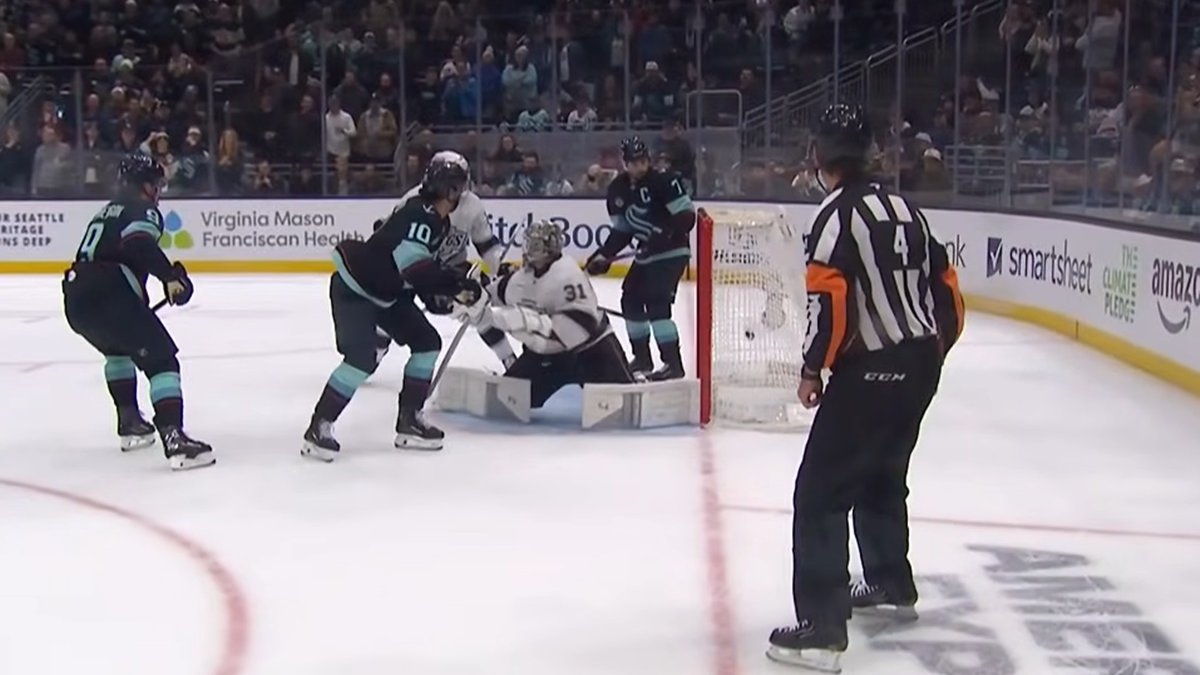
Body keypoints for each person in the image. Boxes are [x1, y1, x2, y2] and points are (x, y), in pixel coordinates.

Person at [765, 104, 965, 672]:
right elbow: (949, 294)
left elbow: (829, 306)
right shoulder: (906, 209)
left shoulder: (834, 217)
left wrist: (813, 369)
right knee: (881, 474)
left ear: (819, 155)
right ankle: (890, 583)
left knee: (821, 493)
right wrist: (929, 354)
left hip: (870, 371)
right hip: (920, 364)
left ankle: (823, 630)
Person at [301, 157, 481, 461]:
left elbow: (419, 274)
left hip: (386, 292)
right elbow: (415, 269)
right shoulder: (421, 215)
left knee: (427, 343)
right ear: (453, 190)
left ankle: (409, 421)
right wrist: (456, 285)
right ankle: (318, 427)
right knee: (361, 359)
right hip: (356, 290)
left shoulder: (436, 220)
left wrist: (443, 294)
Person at [61, 154, 213, 471]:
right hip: (109, 290)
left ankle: (130, 422)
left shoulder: (107, 210)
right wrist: (169, 276)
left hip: (76, 295)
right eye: (156, 184)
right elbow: (138, 243)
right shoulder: (143, 209)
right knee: (162, 359)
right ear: (145, 185)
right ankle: (175, 438)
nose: (158, 191)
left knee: (117, 351)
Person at [454, 220, 634, 407]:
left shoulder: (568, 276)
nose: (529, 250)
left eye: (536, 245)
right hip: (548, 357)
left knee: (621, 404)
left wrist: (502, 319)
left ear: (549, 249)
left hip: (591, 352)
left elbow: (572, 334)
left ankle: (628, 378)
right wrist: (470, 297)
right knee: (508, 400)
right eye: (529, 244)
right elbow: (493, 293)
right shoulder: (523, 277)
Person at [375, 151, 515, 370]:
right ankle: (374, 353)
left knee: (477, 309)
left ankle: (509, 359)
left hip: (450, 269)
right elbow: (388, 234)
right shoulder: (413, 201)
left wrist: (498, 265)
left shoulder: (472, 206)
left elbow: (486, 244)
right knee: (392, 311)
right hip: (411, 268)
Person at [585, 136, 697, 380]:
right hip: (647, 255)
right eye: (634, 162)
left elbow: (687, 217)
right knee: (631, 299)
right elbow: (622, 232)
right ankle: (643, 359)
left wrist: (664, 234)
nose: (639, 166)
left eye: (643, 161)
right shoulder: (618, 189)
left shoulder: (664, 181)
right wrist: (604, 255)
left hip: (672, 252)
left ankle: (673, 364)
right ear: (625, 163)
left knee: (657, 304)